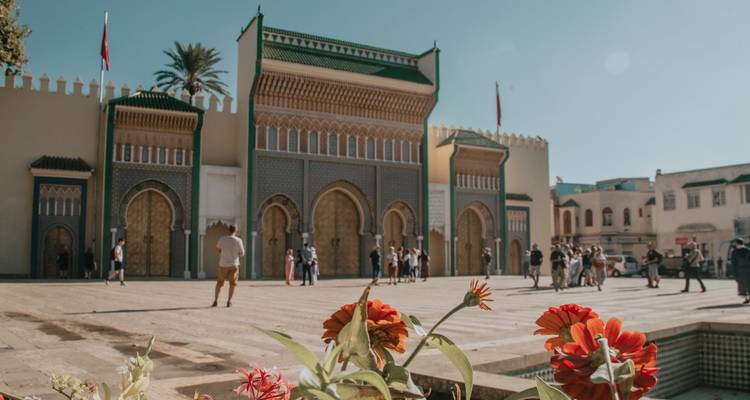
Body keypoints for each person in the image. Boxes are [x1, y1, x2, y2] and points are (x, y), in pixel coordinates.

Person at [213, 225, 244, 307]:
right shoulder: (238, 240)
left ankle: (215, 300)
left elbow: (217, 249)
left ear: (229, 230)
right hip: (234, 264)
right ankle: (229, 301)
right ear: (236, 230)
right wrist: (235, 254)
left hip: (223, 264)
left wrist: (223, 253)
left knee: (219, 283)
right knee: (232, 284)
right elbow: (242, 253)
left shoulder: (222, 239)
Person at [730, 238, 750, 304]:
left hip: (740, 270)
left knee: (742, 284)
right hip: (748, 269)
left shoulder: (734, 251)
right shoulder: (748, 250)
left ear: (737, 243)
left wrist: (734, 272)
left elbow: (733, 263)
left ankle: (746, 298)